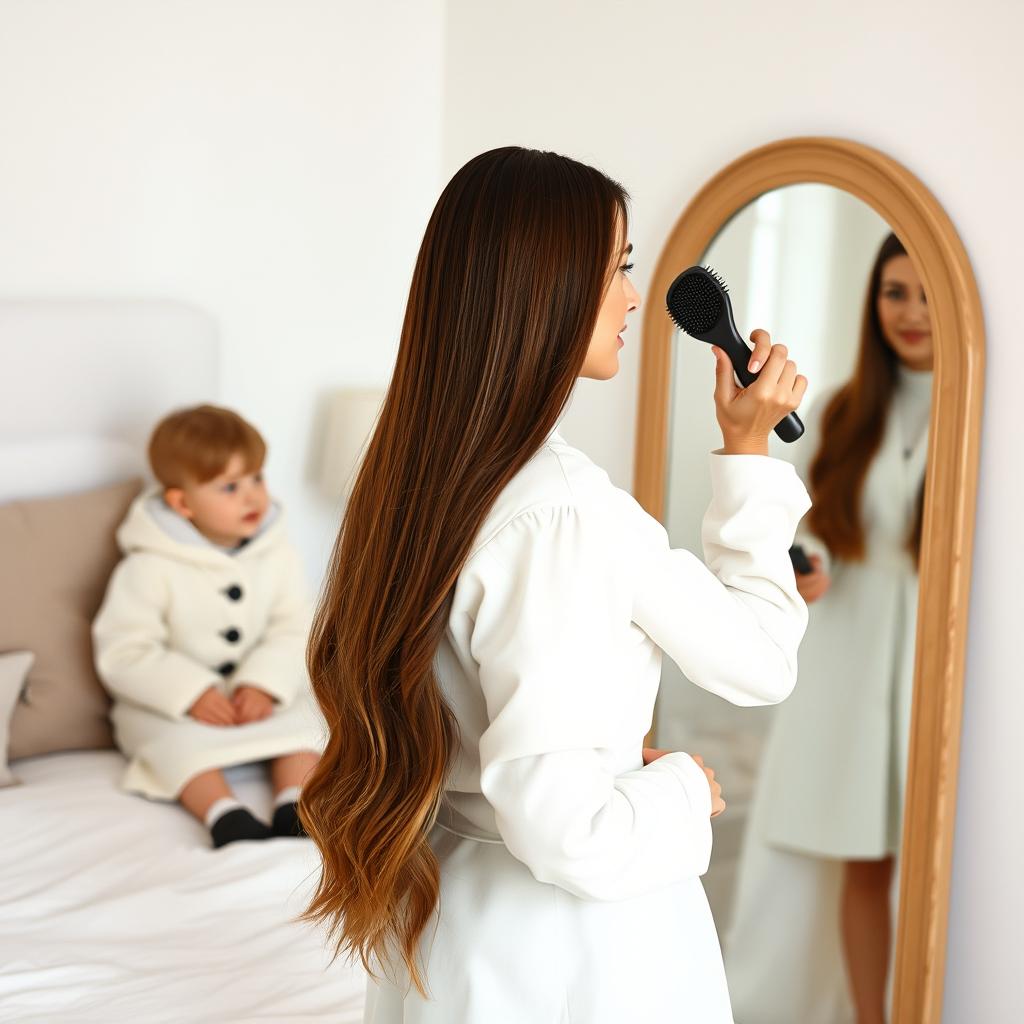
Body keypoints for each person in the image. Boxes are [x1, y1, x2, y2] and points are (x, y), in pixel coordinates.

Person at [300, 146, 811, 1023]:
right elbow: (572, 824)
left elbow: (496, 739)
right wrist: (683, 789)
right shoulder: (564, 514)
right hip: (572, 956)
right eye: (616, 269)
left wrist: (612, 762)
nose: (632, 297)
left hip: (458, 933)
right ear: (548, 288)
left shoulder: (416, 477)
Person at [724, 232, 933, 1024]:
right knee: (863, 859)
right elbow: (817, 541)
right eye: (892, 292)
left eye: (923, 293)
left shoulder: (985, 402)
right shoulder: (848, 409)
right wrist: (800, 575)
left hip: (932, 650)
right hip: (847, 651)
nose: (910, 312)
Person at [92, 404, 325, 848]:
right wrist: (191, 692)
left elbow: (296, 626)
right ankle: (224, 813)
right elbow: (124, 650)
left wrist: (263, 683)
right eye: (230, 487)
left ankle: (293, 801)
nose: (253, 497)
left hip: (258, 699)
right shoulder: (148, 567)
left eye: (257, 478)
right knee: (168, 746)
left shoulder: (277, 555)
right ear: (182, 503)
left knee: (313, 723)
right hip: (173, 705)